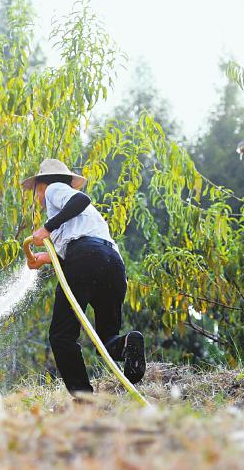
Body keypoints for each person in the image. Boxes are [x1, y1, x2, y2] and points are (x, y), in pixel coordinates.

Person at [21, 158, 145, 395]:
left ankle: (83, 399)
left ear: (42, 185)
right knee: (106, 341)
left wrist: (47, 227)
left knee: (61, 335)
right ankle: (127, 343)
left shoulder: (55, 190)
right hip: (113, 264)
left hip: (86, 257)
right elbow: (80, 247)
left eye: (35, 191)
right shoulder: (82, 218)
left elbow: (81, 199)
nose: (36, 198)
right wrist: (46, 258)